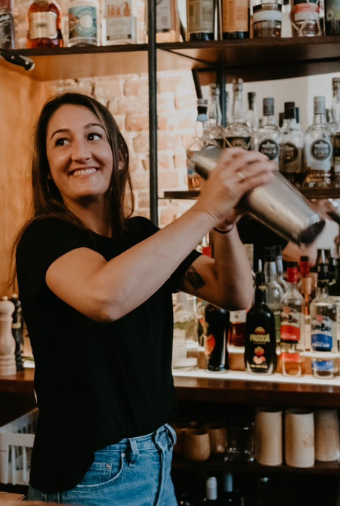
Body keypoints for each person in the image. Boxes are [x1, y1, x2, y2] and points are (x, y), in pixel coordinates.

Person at [14, 92, 275, 505]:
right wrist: (205, 211)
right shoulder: (44, 238)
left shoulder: (139, 237)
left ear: (119, 155)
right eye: (61, 142)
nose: (79, 152)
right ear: (48, 171)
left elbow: (234, 293)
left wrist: (224, 227)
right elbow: (106, 298)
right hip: (91, 478)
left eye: (93, 136)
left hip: (155, 463)